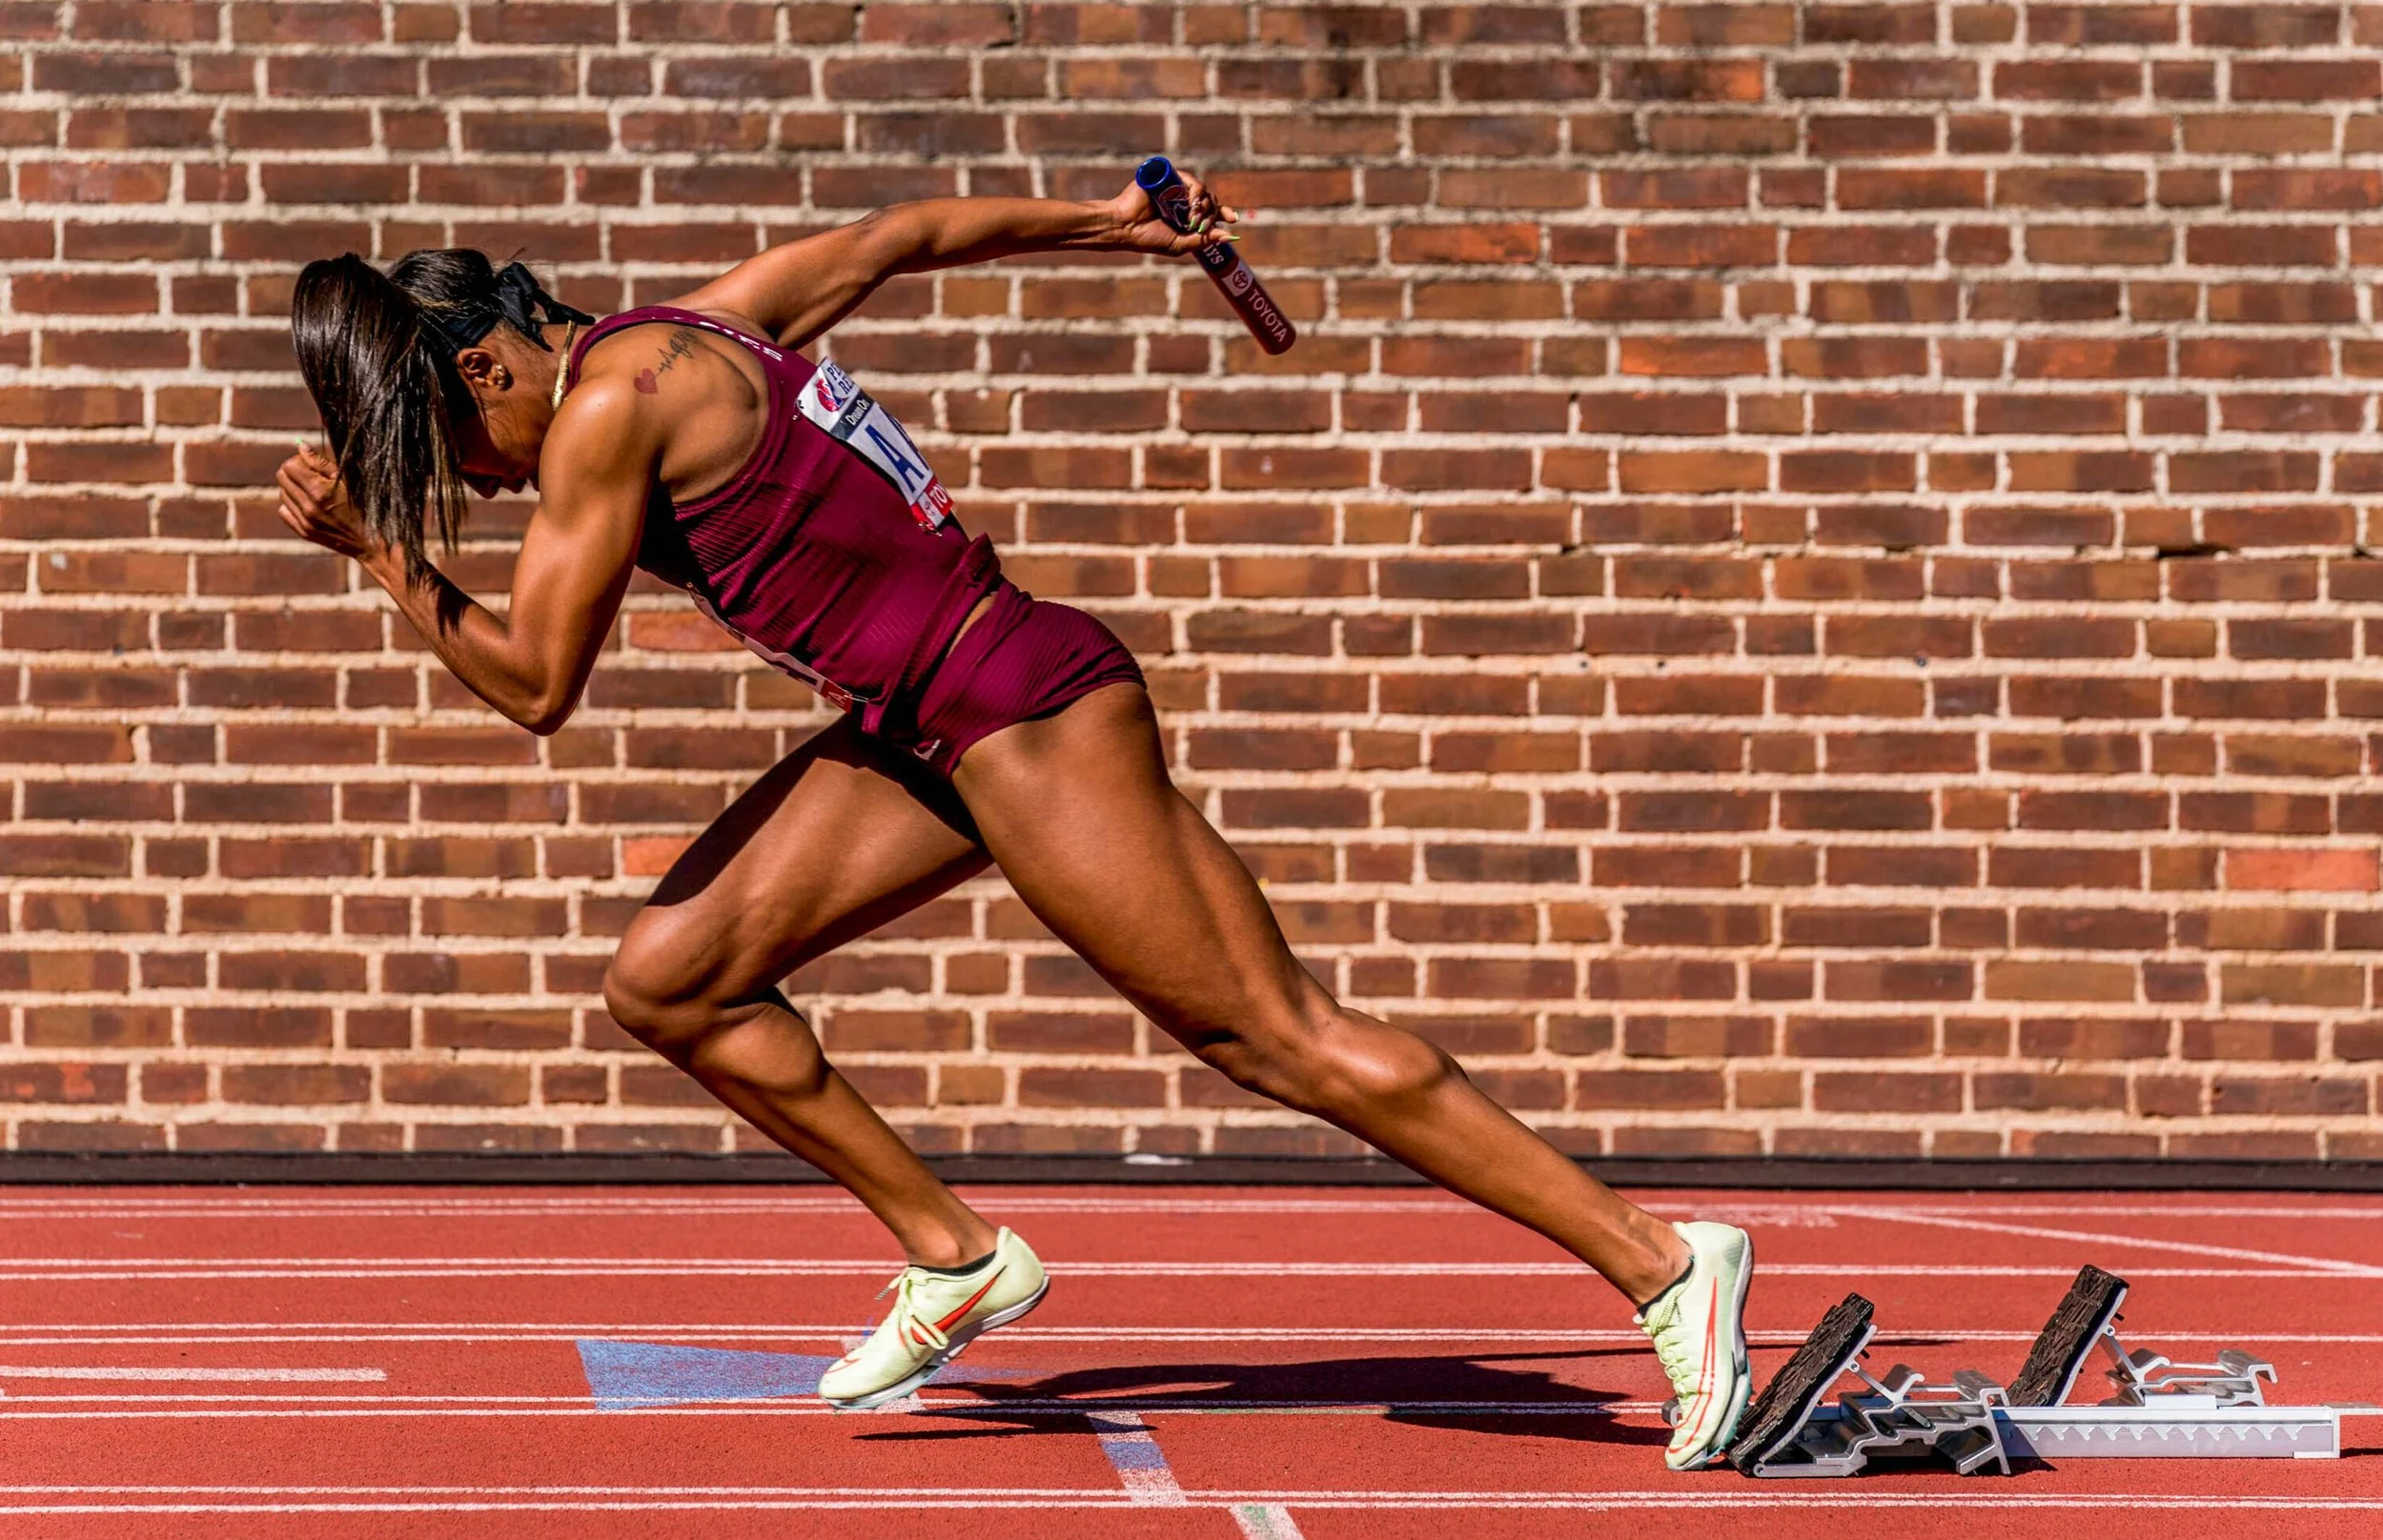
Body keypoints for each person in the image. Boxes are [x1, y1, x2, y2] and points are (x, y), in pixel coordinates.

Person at [275, 169, 1756, 1469]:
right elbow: (907, 233)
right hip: (925, 730)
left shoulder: (599, 419)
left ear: (484, 371)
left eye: (463, 459)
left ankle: (1664, 1263)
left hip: (1020, 712)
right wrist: (1108, 228)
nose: (489, 483)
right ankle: (957, 1255)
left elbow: (536, 684)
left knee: (1272, 1035)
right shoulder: (703, 320)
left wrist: (384, 553)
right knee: (669, 979)